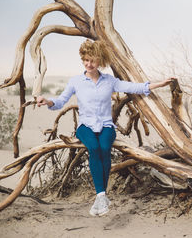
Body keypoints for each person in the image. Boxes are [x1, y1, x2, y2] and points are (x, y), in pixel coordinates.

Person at [36, 39, 173, 216]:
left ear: (99, 60)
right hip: (85, 126)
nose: (89, 63)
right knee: (94, 148)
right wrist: (47, 100)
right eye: (85, 59)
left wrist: (159, 84)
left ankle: (102, 196)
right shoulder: (76, 81)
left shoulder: (109, 81)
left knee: (105, 148)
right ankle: (101, 196)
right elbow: (60, 101)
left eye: (92, 60)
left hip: (106, 125)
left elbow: (134, 87)